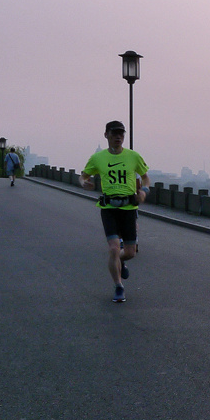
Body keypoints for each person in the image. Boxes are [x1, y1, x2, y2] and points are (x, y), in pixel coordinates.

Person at [80, 120, 150, 303]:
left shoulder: (133, 156)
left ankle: (121, 261)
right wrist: (83, 182)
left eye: (121, 134)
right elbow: (83, 175)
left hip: (128, 208)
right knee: (113, 248)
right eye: (114, 133)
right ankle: (119, 286)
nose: (118, 137)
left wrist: (144, 191)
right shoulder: (98, 158)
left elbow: (146, 178)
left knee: (130, 252)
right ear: (106, 135)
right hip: (108, 208)